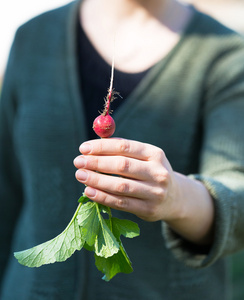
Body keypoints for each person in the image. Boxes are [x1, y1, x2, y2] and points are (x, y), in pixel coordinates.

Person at [1, 0, 244, 299]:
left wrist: (177, 196)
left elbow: (238, 197)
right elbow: (5, 188)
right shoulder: (33, 37)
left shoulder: (228, 54)